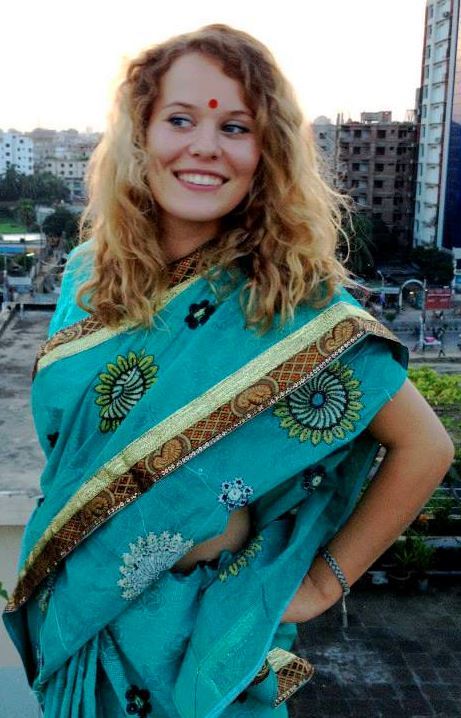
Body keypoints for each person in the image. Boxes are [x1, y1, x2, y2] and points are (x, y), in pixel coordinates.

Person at [2, 24, 454, 718]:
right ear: (140, 135)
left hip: (203, 643)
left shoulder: (290, 303)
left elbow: (425, 447)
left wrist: (323, 584)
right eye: (180, 119)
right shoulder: (90, 277)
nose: (205, 146)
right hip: (81, 618)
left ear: (266, 153)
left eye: (235, 127)